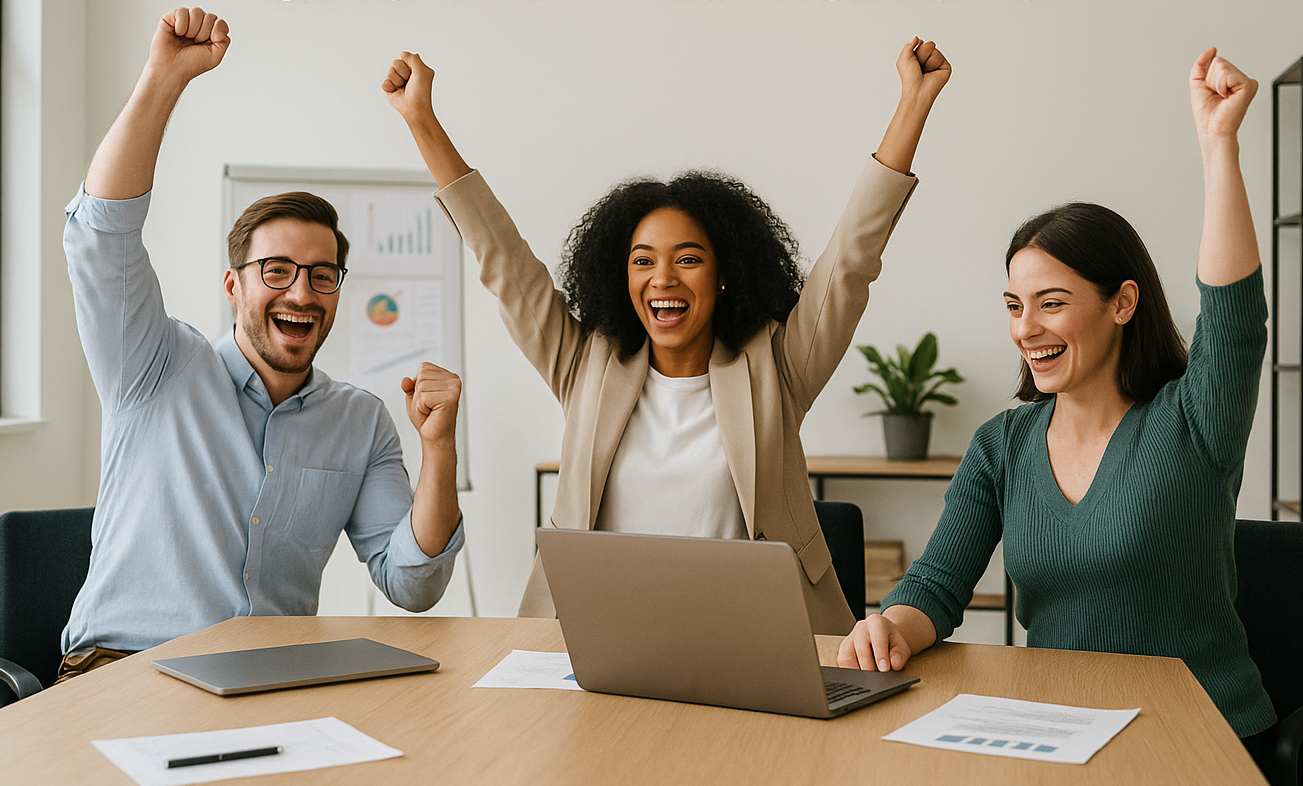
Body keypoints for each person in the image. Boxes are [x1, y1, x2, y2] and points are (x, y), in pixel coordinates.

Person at [383, 38, 949, 634]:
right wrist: (422, 120)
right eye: (642, 260)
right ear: (619, 274)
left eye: (688, 259)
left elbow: (849, 264)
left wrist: (912, 103)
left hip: (751, 637)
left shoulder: (776, 370)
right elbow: (501, 258)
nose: (662, 279)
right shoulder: (585, 364)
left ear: (725, 275)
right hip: (601, 640)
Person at [836, 48, 1278, 751]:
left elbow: (1233, 317)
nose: (1024, 329)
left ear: (1121, 303)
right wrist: (890, 624)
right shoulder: (1000, 445)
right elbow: (938, 585)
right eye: (1014, 305)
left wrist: (1217, 145)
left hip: (1203, 739)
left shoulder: (1194, 422)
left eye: (1050, 303)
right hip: (1059, 734)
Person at [59, 7, 464, 679]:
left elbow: (412, 584)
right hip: (124, 670)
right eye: (275, 272)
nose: (301, 293)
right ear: (233, 286)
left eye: (321, 275)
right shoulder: (153, 364)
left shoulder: (359, 421)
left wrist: (440, 448)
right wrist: (165, 78)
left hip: (268, 680)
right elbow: (100, 236)